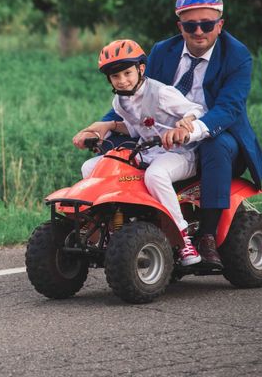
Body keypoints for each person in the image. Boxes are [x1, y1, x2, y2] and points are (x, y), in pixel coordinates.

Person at [96, 0, 262, 266]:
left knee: (216, 145)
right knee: (110, 148)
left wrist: (191, 128)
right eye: (190, 25)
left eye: (206, 24)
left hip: (215, 130)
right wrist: (102, 126)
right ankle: (115, 218)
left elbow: (229, 108)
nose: (198, 31)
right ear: (181, 26)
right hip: (163, 133)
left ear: (220, 24)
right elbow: (135, 93)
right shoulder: (164, 50)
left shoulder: (237, 55)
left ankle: (207, 236)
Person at [73, 39, 208, 266]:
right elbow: (137, 129)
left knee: (155, 175)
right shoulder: (120, 102)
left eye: (127, 73)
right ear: (109, 79)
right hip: (149, 151)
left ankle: (183, 239)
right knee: (91, 167)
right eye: (116, 77)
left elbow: (198, 109)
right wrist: (108, 126)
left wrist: (186, 122)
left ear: (141, 69)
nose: (123, 81)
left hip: (182, 152)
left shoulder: (161, 93)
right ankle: (109, 229)